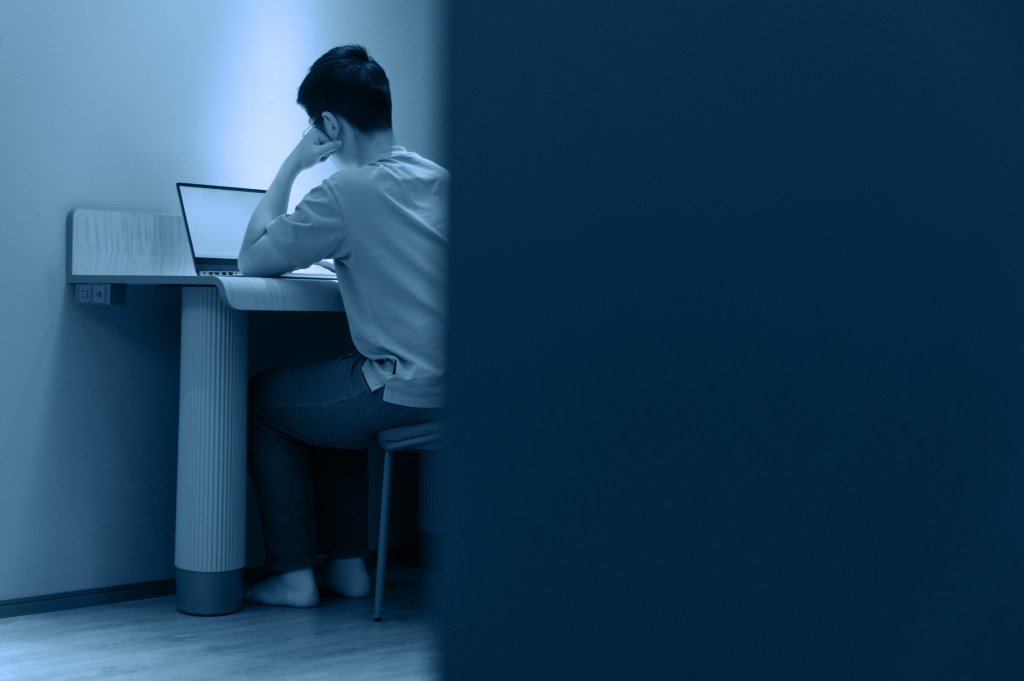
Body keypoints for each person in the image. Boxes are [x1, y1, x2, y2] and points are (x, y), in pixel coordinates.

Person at [238, 44, 447, 608]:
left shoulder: (344, 192)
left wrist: (292, 164)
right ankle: (349, 567)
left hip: (409, 389)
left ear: (328, 125)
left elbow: (251, 260)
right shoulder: (439, 179)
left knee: (265, 400)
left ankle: (292, 577)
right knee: (335, 383)